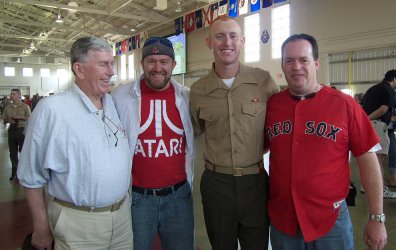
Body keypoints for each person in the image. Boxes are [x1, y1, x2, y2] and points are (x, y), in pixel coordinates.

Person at [265, 33, 387, 250]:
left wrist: (376, 217)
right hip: (284, 221)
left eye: (304, 60)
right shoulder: (272, 106)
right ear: (282, 65)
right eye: (289, 60)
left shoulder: (344, 105)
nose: (296, 66)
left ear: (316, 63)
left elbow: (368, 159)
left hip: (330, 222)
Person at [17, 37, 133, 250]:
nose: (111, 72)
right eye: (103, 64)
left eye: (111, 63)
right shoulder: (52, 110)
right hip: (78, 225)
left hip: (122, 219)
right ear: (79, 70)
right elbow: (31, 177)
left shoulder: (112, 105)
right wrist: (42, 228)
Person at [190, 16, 279, 250]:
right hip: (216, 185)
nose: (226, 42)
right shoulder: (198, 91)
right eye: (219, 36)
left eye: (232, 36)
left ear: (242, 41)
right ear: (209, 43)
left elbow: (279, 126)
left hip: (255, 183)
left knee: (257, 245)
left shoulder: (264, 82)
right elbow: (194, 130)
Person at [112, 36, 195, 250]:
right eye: (151, 61)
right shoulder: (120, 97)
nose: (157, 68)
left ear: (174, 65)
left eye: (164, 62)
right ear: (142, 64)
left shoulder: (187, 97)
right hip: (138, 199)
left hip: (179, 197)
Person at [363, 69, 396, 198]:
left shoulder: (372, 89)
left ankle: (367, 186)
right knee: (379, 158)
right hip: (377, 125)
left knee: (371, 156)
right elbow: (383, 109)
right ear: (394, 79)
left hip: (370, 126)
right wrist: (368, 120)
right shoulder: (390, 91)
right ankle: (381, 189)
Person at [2, 89, 31, 181]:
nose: (11, 95)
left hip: (21, 130)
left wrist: (21, 117)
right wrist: (7, 120)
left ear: (19, 95)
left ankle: (25, 172)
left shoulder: (25, 107)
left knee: (23, 151)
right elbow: (4, 118)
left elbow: (30, 118)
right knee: (12, 153)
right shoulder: (7, 107)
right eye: (11, 94)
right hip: (12, 130)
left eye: (13, 94)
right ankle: (15, 172)